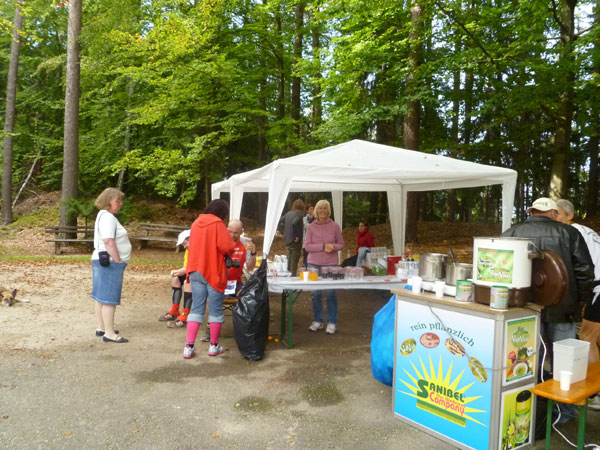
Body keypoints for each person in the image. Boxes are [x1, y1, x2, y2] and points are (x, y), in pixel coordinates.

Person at [502, 197, 594, 424]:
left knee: (527, 359)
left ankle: (530, 409)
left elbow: (501, 269)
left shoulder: (511, 233)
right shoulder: (569, 233)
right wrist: (579, 302)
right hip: (562, 308)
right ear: (553, 213)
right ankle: (564, 411)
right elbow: (585, 270)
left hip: (523, 310)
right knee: (565, 362)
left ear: (531, 212)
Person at [557, 199, 600, 411]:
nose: (554, 218)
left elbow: (577, 267)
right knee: (596, 339)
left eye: (557, 214)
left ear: (569, 215)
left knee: (587, 337)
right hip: (597, 286)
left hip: (598, 288)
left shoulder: (572, 233)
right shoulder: (587, 231)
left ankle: (595, 393)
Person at [183, 199, 235, 359]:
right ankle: (213, 346)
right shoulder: (218, 225)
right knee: (215, 310)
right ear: (222, 213)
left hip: (195, 270)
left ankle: (189, 347)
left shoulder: (196, 223)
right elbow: (228, 247)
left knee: (196, 308)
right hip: (213, 271)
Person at [91, 188, 132, 343]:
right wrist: (118, 260)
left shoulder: (103, 215)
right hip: (109, 261)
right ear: (108, 201)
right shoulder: (108, 217)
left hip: (101, 259)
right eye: (117, 201)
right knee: (109, 298)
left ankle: (102, 327)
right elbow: (108, 241)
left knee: (100, 296)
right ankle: (109, 333)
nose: (120, 204)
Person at [304, 199, 344, 334]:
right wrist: (323, 246)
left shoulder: (335, 226)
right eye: (320, 208)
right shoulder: (310, 227)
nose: (322, 211)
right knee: (315, 293)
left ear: (329, 211)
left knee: (330, 293)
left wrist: (333, 246)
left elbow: (341, 244)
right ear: (316, 210)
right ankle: (318, 320)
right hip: (313, 264)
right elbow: (307, 246)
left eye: (325, 208)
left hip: (331, 264)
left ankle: (332, 322)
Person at [157, 229, 193, 328]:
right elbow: (187, 266)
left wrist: (185, 270)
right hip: (192, 272)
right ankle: (175, 310)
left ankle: (186, 315)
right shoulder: (188, 250)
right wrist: (179, 272)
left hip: (203, 276)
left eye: (185, 244)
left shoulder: (200, 249)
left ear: (191, 239)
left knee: (187, 282)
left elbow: (198, 267)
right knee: (175, 278)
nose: (184, 247)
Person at [226, 219, 257, 295]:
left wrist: (253, 253)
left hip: (236, 282)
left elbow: (250, 268)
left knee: (246, 296)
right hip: (219, 282)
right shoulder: (221, 241)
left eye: (235, 233)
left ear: (241, 232)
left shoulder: (246, 244)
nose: (232, 235)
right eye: (230, 232)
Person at [278, 198, 305, 276]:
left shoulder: (288, 213)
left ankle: (287, 277)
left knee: (288, 260)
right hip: (295, 242)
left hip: (287, 240)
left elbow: (279, 222)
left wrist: (283, 232)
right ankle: (292, 278)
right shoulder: (300, 214)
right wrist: (297, 236)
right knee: (294, 262)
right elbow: (294, 223)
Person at [302, 203, 315, 268]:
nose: (312, 210)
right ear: (307, 211)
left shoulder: (317, 219)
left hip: (314, 242)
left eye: (313, 209)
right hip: (306, 242)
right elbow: (307, 227)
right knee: (305, 259)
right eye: (311, 209)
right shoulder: (304, 219)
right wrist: (311, 219)